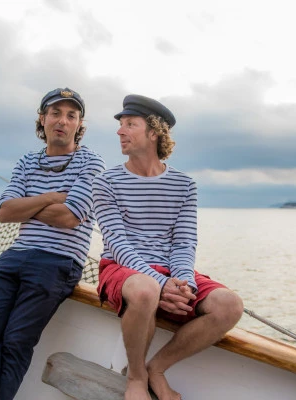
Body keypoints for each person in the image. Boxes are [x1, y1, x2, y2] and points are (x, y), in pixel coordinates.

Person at [92, 95, 244, 400]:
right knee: (146, 290)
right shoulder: (105, 182)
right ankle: (136, 378)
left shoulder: (184, 185)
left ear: (153, 132)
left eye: (130, 124)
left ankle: (157, 369)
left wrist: (183, 283)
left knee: (230, 305)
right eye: (121, 125)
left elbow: (184, 242)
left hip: (169, 272)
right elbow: (117, 244)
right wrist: (161, 285)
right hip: (123, 268)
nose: (120, 131)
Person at [0, 87, 105, 400]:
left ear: (79, 124)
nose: (62, 121)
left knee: (15, 342)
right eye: (55, 113)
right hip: (14, 257)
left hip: (57, 262)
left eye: (71, 115)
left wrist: (27, 204)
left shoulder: (91, 163)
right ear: (42, 119)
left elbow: (69, 218)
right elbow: (5, 212)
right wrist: (53, 197)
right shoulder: (27, 161)